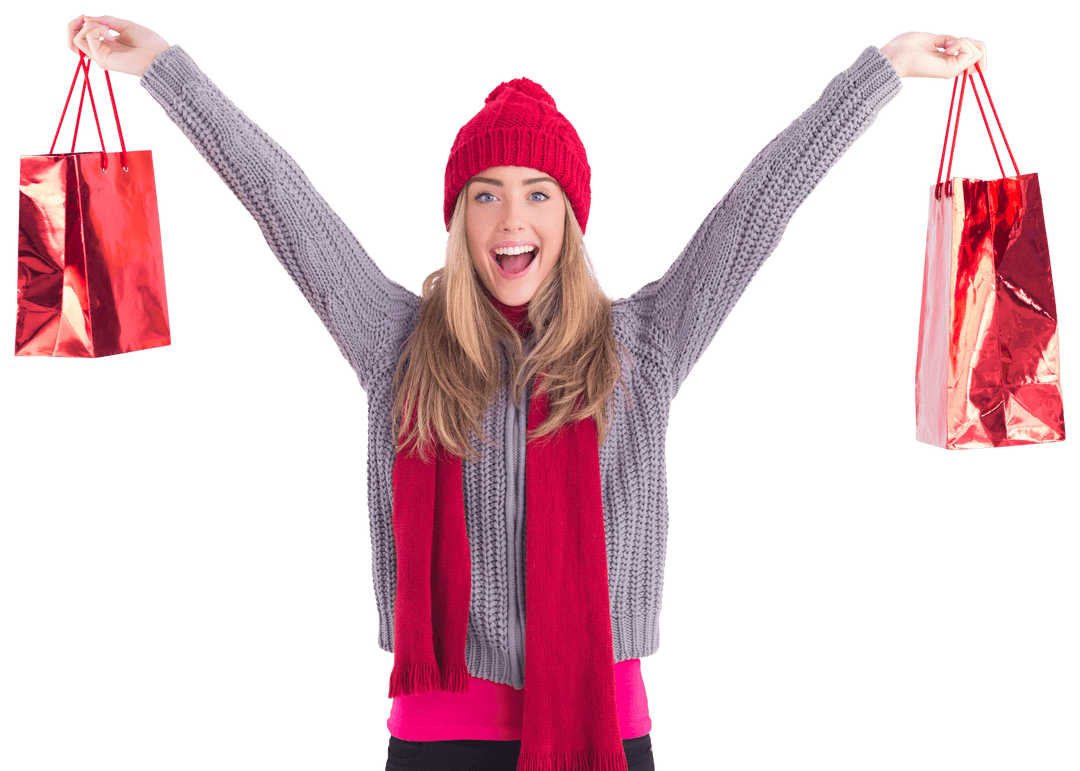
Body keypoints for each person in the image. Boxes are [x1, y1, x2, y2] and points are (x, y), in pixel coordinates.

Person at [65, 14, 987, 771]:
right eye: (486, 194)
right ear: (459, 217)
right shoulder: (397, 341)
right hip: (436, 739)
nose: (513, 220)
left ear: (572, 219)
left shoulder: (644, 344)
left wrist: (885, 72)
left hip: (601, 728)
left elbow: (762, 201)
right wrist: (163, 71)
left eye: (539, 193)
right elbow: (280, 199)